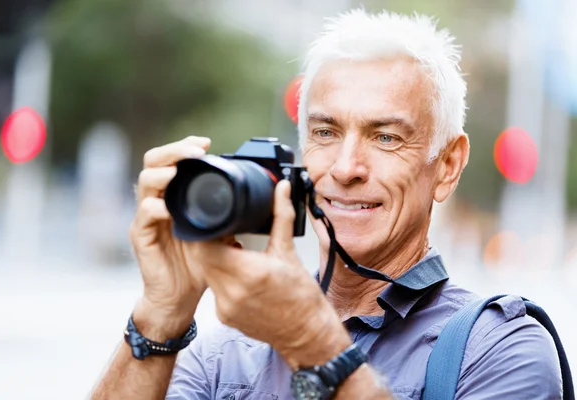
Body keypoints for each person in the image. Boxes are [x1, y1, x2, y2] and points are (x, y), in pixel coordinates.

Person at [90, 9, 562, 400]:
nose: (345, 167)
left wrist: (311, 342)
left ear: (447, 166)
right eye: (325, 133)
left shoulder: (499, 348)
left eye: (385, 136)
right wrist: (161, 313)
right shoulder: (225, 354)